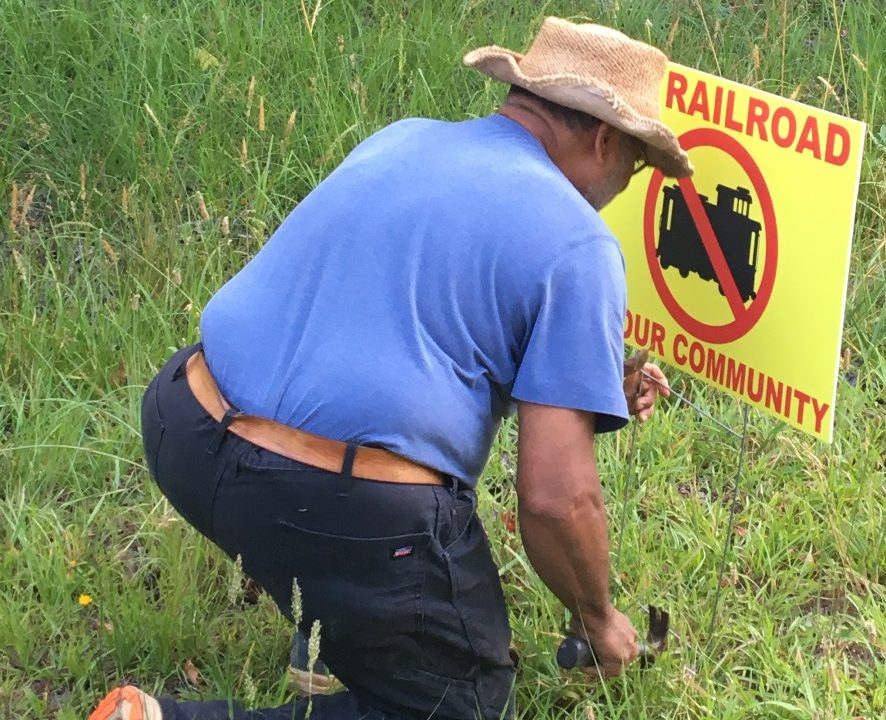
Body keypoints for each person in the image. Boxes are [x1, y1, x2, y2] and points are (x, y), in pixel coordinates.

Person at [90, 16, 692, 720]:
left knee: (327, 508)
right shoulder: (579, 242)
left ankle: (331, 616)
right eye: (637, 165)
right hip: (317, 497)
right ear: (603, 139)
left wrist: (590, 391)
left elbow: (391, 325)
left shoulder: (405, 135)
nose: (626, 183)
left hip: (183, 424)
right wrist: (597, 620)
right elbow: (555, 498)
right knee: (458, 700)